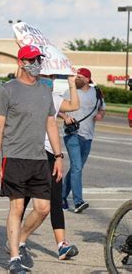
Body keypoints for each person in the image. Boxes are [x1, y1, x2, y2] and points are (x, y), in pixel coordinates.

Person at [0, 45, 63, 273]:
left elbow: (51, 123)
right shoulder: (8, 90)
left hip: (39, 158)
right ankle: (14, 259)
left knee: (43, 208)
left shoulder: (44, 91)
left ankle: (19, 239)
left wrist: (59, 156)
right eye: (32, 59)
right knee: (17, 207)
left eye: (39, 60)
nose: (36, 64)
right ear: (21, 62)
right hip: (14, 157)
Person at [20, 73, 80, 260]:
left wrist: (72, 83)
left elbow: (74, 106)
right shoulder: (26, 94)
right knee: (24, 199)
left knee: (54, 197)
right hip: (29, 152)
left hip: (50, 153)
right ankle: (14, 236)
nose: (48, 80)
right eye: (44, 76)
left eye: (50, 77)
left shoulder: (53, 98)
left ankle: (61, 244)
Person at [59, 68, 105, 213]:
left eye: (79, 76)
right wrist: (65, 117)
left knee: (75, 168)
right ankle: (78, 202)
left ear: (87, 79)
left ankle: (61, 197)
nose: (76, 78)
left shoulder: (96, 93)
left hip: (88, 136)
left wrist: (100, 115)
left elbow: (102, 109)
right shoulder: (70, 91)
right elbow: (57, 107)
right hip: (72, 133)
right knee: (77, 167)